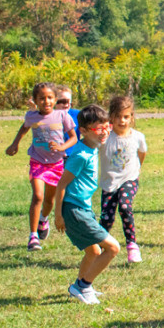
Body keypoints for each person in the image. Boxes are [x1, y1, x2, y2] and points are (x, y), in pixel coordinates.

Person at [54, 105, 121, 305]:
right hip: (74, 210)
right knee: (113, 248)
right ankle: (81, 286)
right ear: (82, 131)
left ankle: (84, 286)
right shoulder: (80, 155)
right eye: (98, 129)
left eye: (106, 127)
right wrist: (58, 215)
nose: (104, 133)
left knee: (94, 251)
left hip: (83, 209)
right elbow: (61, 185)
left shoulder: (92, 149)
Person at [5, 82, 78, 251]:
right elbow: (24, 129)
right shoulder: (32, 116)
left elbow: (73, 137)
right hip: (37, 162)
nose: (46, 101)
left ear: (55, 99)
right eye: (42, 98)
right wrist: (15, 144)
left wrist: (62, 147)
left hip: (56, 164)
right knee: (38, 196)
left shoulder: (62, 116)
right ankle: (33, 236)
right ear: (35, 101)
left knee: (49, 200)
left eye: (50, 98)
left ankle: (43, 220)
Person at [99, 95, 148, 264]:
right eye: (118, 117)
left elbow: (142, 153)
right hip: (109, 182)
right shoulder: (104, 139)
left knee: (125, 207)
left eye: (126, 117)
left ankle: (132, 246)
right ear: (111, 117)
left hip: (130, 179)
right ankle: (100, 249)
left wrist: (137, 169)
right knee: (106, 218)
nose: (122, 121)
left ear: (131, 117)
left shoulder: (138, 137)